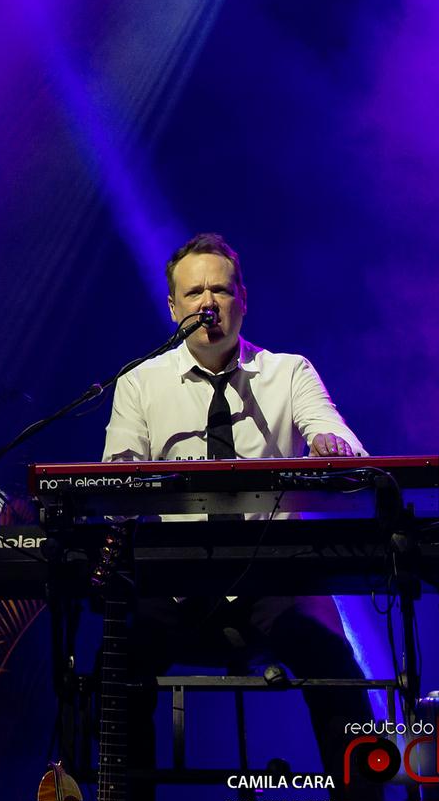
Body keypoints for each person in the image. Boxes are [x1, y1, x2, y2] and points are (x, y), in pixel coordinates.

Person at [98, 232, 375, 799]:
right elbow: (115, 477)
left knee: (339, 669)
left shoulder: (288, 372)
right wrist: (127, 470)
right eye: (194, 292)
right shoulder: (139, 382)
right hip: (179, 580)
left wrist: (329, 444)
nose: (208, 303)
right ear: (172, 308)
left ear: (242, 299)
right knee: (111, 670)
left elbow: (331, 430)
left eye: (220, 289)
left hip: (278, 575)